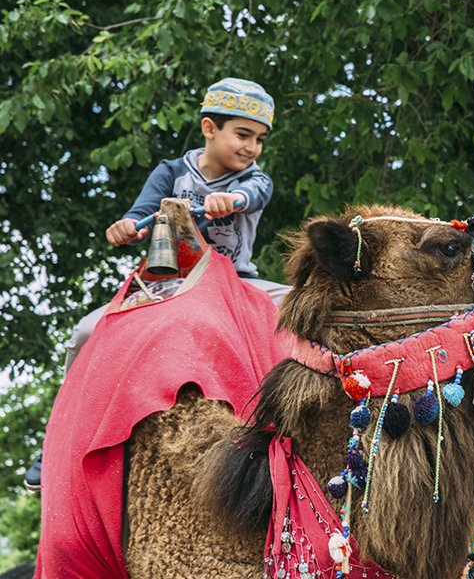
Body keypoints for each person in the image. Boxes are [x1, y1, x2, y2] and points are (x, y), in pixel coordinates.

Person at [23, 77, 291, 491]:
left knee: (301, 307)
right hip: (173, 284)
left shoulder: (254, 179)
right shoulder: (170, 173)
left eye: (259, 139)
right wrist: (126, 228)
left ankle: (317, 422)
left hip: (237, 282)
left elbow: (250, 197)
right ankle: (54, 441)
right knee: (85, 331)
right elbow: (139, 216)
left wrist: (230, 202)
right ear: (209, 129)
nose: (251, 148)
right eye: (242, 135)